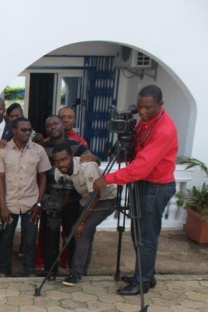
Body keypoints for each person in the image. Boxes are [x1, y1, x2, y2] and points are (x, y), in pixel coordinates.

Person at [93, 85, 178, 296]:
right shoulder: (146, 122)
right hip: (144, 186)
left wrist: (108, 179)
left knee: (146, 237)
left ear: (160, 104)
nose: (142, 111)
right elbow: (138, 149)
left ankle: (142, 282)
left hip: (155, 187)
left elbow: (140, 168)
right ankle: (146, 274)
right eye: (139, 106)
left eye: (147, 108)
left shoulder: (164, 130)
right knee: (139, 233)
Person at [0, 117, 52, 277]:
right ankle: (4, 271)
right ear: (14, 130)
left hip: (31, 203)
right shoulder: (2, 151)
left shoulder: (38, 150)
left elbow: (43, 178)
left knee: (30, 240)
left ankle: (29, 271)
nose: (27, 132)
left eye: (29, 130)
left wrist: (39, 204)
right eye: (23, 129)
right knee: (6, 240)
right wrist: (3, 206)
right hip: (10, 203)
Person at [53, 143, 117, 286]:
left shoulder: (87, 167)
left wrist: (81, 223)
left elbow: (96, 196)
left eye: (64, 159)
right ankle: (83, 271)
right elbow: (68, 193)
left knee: (82, 232)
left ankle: (75, 274)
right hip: (86, 201)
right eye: (57, 161)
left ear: (71, 157)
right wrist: (57, 207)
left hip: (106, 199)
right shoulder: (59, 173)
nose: (61, 164)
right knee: (86, 234)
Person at [37, 115, 94, 271]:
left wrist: (95, 159)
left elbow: (92, 160)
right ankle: (46, 262)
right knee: (47, 232)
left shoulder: (76, 145)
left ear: (63, 125)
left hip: (73, 197)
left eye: (55, 123)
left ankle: (68, 261)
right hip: (50, 195)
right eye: (49, 125)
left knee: (70, 231)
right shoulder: (42, 146)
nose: (52, 127)